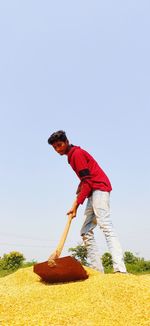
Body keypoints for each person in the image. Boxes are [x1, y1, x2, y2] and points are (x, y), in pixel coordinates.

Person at [48, 130, 127, 273]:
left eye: (59, 145)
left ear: (66, 142)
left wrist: (76, 205)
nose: (57, 149)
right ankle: (97, 271)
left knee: (105, 224)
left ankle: (120, 269)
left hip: (99, 188)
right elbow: (85, 177)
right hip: (92, 191)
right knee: (85, 232)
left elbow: (88, 181)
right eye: (54, 148)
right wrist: (80, 189)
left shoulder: (76, 154)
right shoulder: (71, 157)